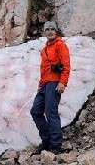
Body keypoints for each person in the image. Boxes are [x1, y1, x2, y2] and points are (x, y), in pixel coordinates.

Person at [30, 21, 71, 154]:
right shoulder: (44, 49)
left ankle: (55, 145)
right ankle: (46, 140)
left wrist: (62, 83)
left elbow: (66, 65)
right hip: (43, 85)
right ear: (44, 32)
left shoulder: (60, 45)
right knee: (35, 111)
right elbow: (44, 70)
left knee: (51, 113)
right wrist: (40, 86)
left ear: (56, 31)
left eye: (52, 29)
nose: (50, 31)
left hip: (54, 84)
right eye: (47, 29)